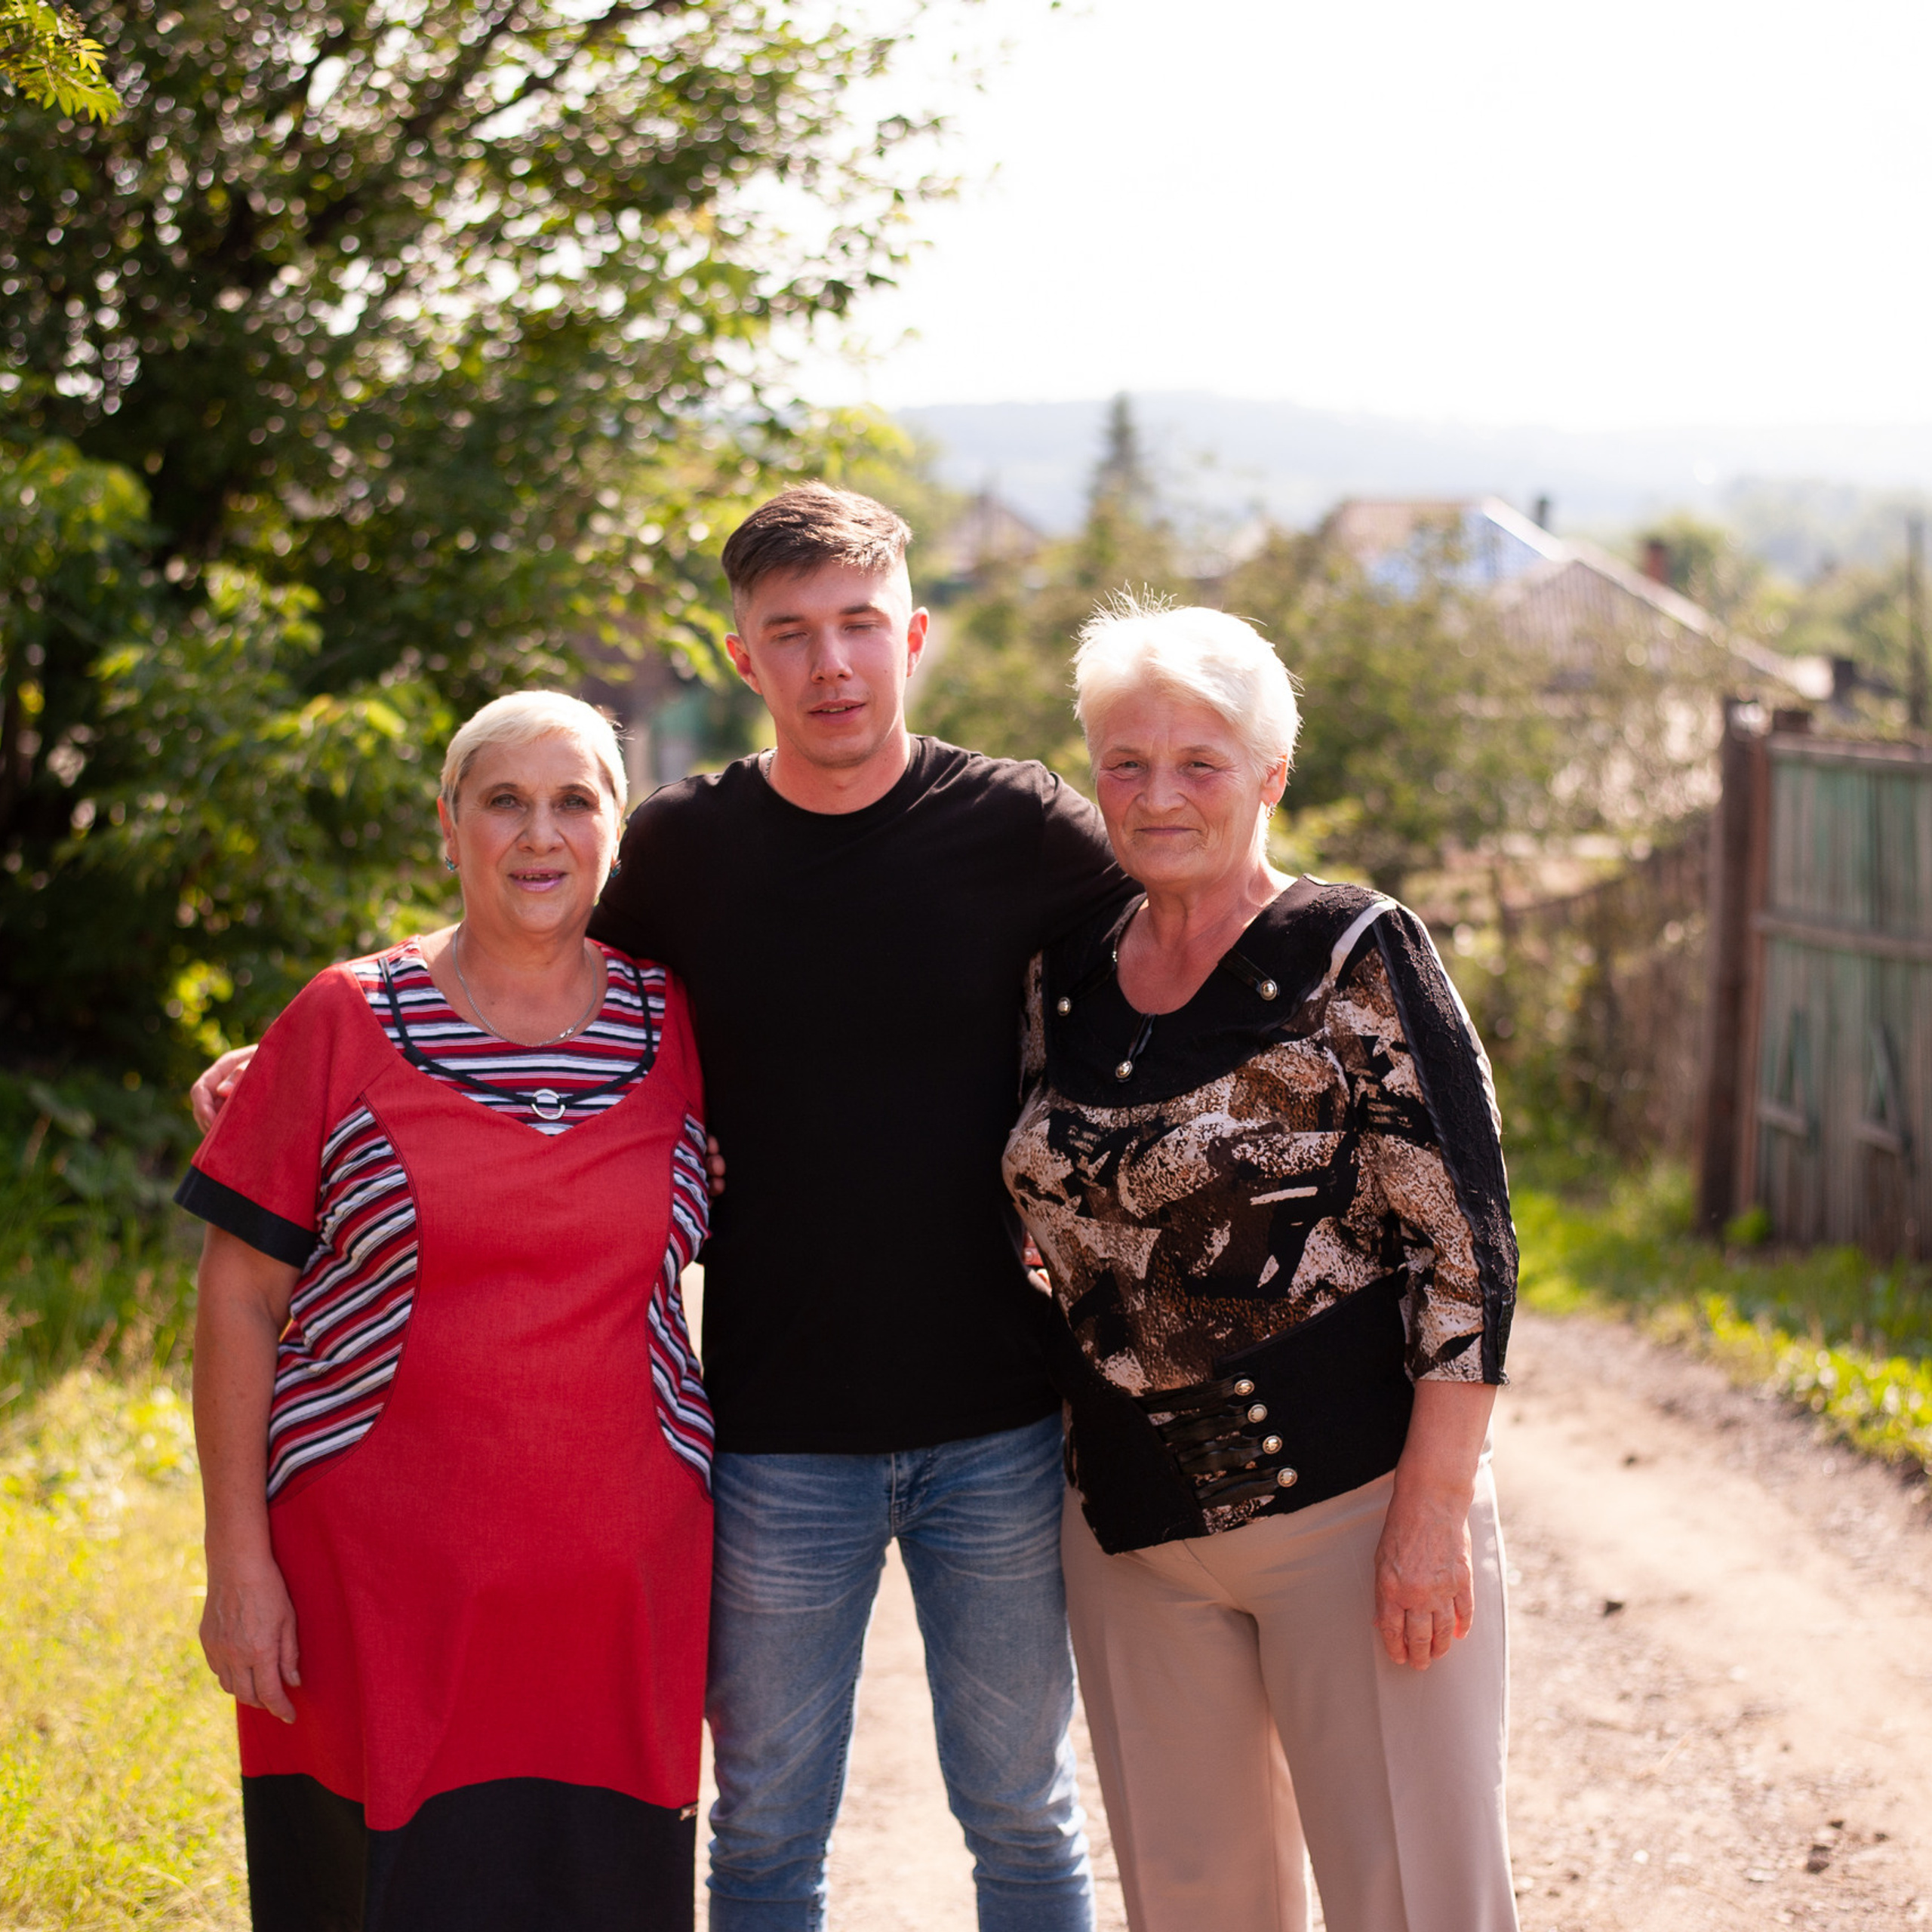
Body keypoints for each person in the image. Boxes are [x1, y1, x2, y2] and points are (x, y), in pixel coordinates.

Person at [193, 484, 1133, 1932]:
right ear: (743, 656)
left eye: (860, 628)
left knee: (1021, 1814)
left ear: (915, 638)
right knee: (761, 1838)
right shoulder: (681, 855)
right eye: (791, 634)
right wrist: (287, 1066)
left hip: (997, 1417)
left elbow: (1183, 931)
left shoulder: (1023, 827)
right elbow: (508, 937)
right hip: (771, 1436)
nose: (831, 664)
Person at [1001, 598, 1520, 1932]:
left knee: (1416, 1900)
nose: (1156, 794)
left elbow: (1466, 1249)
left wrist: (1432, 1514)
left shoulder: (1353, 950)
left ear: (1272, 777)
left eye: (1199, 762)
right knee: (1193, 1909)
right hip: (1131, 1529)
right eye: (1125, 761)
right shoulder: (1061, 977)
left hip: (1357, 1519)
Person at [181, 693, 715, 1932]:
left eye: (575, 800)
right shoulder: (341, 1019)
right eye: (505, 802)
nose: (541, 835)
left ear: (615, 830)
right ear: (450, 824)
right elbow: (239, 1291)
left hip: (616, 1601)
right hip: (370, 1604)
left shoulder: (678, 1020)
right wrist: (236, 1565)